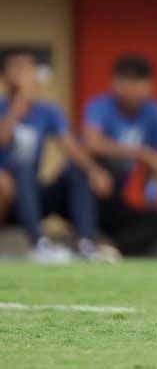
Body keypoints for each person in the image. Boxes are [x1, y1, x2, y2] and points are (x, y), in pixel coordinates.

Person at [2, 47, 112, 262]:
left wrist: (94, 170)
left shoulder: (48, 111)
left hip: (33, 194)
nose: (26, 74)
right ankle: (38, 244)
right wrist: (19, 103)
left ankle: (86, 243)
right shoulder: (4, 107)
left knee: (76, 170)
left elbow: (70, 146)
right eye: (19, 68)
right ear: (6, 75)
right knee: (20, 166)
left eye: (30, 68)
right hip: (7, 197)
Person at [83, 53, 157, 256]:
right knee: (90, 177)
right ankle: (87, 241)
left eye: (141, 83)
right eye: (128, 83)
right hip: (93, 190)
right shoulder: (100, 106)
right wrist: (140, 152)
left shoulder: (154, 112)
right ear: (116, 84)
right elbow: (92, 143)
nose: (135, 90)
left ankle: (113, 250)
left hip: (117, 197)